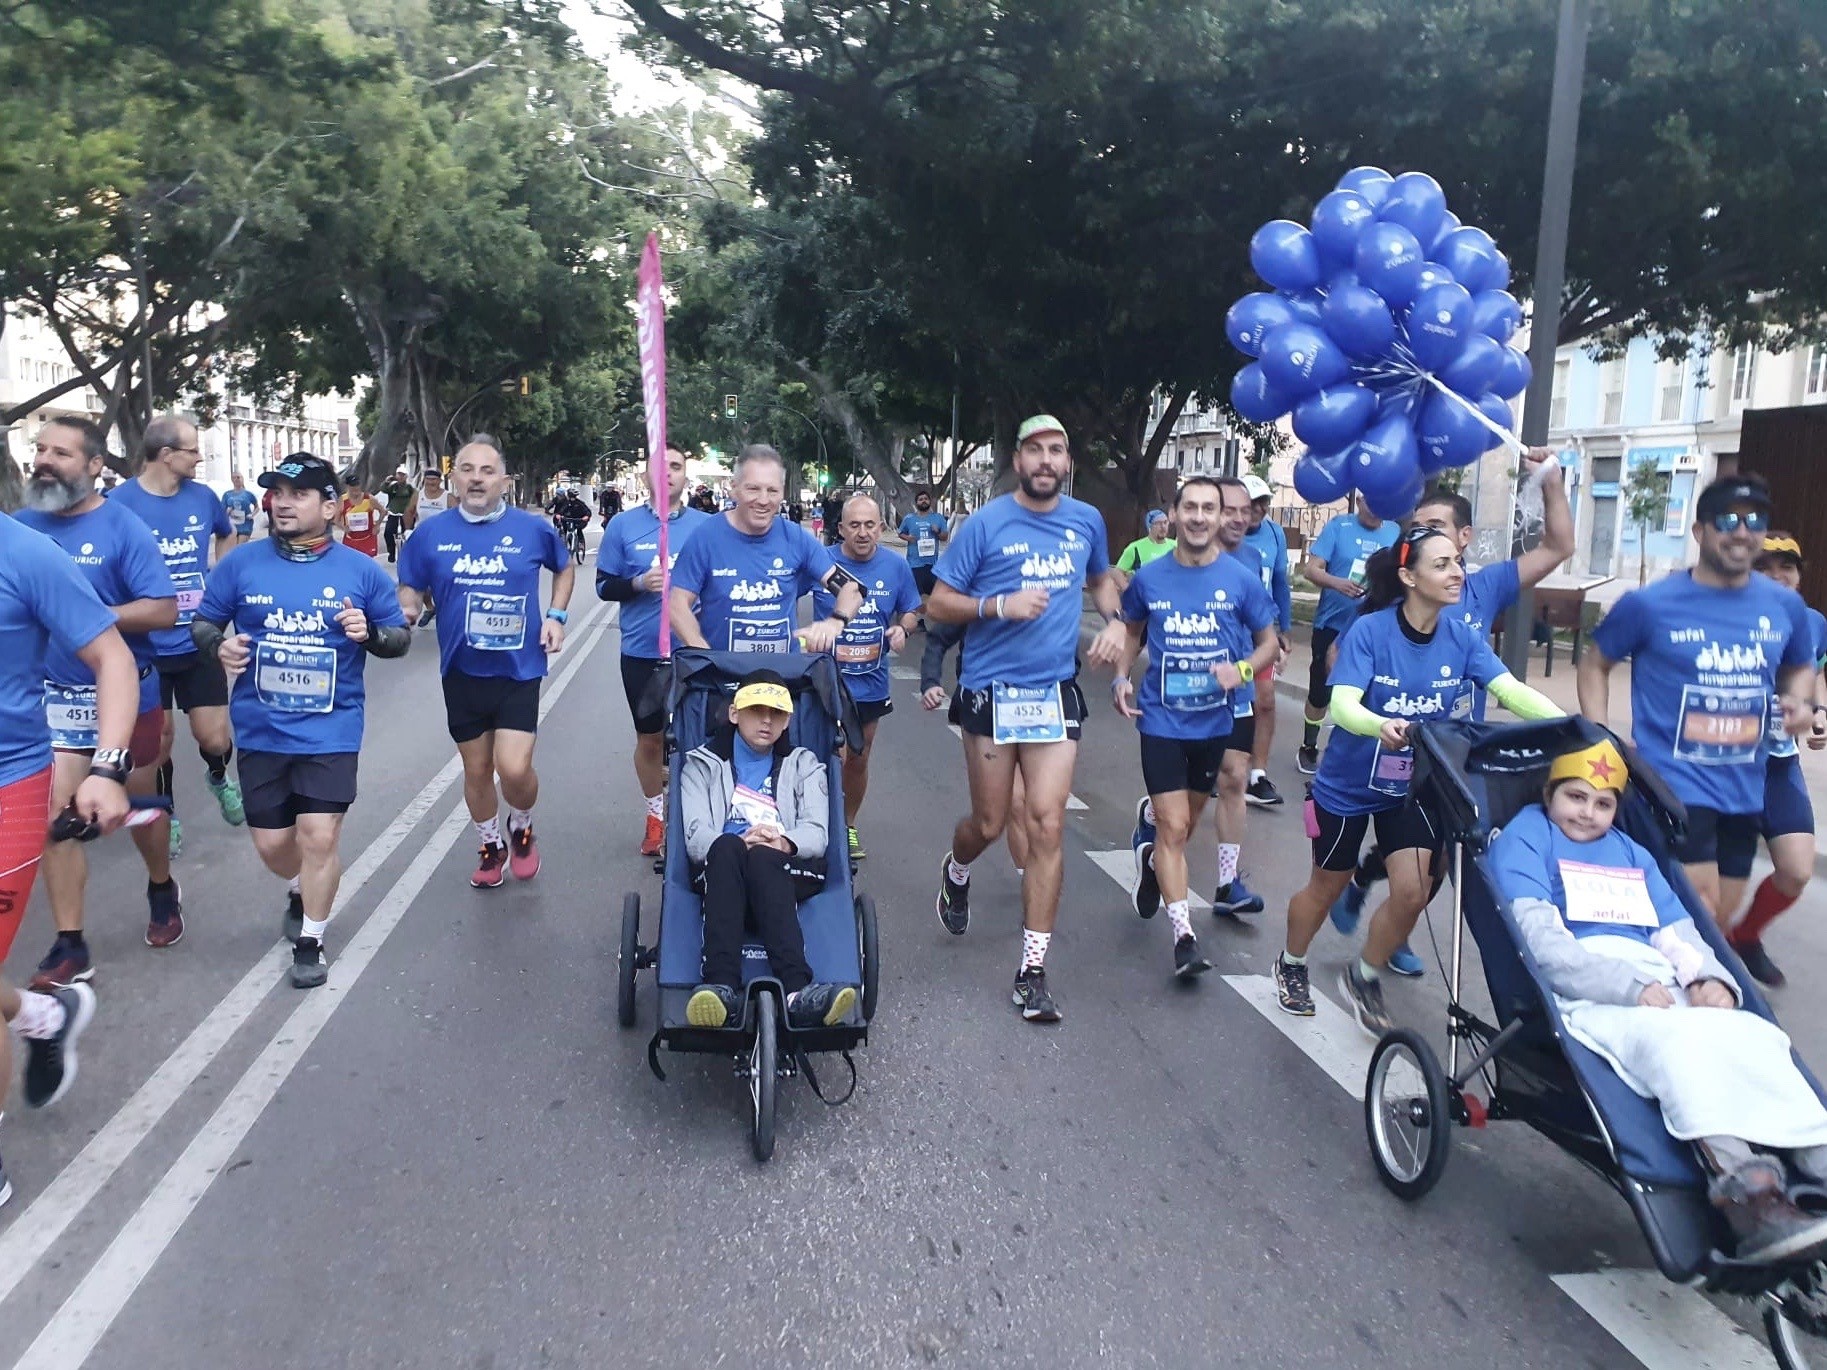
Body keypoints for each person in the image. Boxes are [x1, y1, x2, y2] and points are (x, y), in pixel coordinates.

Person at [1490, 736, 1827, 1266]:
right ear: (1549, 793)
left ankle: (1817, 1154)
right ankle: (1749, 1195)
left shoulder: (1631, 852)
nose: (1588, 813)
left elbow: (1677, 932)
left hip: (1659, 976)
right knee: (1678, 1046)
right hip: (1592, 989)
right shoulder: (1526, 839)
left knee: (1756, 1036)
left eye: (1603, 804)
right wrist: (1624, 986)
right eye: (1576, 797)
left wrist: (1708, 979)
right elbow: (1544, 945)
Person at [1276, 526, 1560, 1032]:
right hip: (1347, 785)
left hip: (1410, 786)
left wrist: (1570, 729)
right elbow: (1342, 706)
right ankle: (1291, 962)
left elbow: (1510, 691)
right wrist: (1378, 724)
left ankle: (1363, 975)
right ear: (1408, 576)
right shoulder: (1370, 631)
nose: (1457, 573)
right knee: (1326, 885)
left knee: (1413, 890)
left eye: (1458, 562)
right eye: (1442, 564)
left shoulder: (1460, 636)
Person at [1328, 451, 1575, 973]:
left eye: (1435, 529)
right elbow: (1349, 655)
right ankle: (1381, 929)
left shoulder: (1482, 587)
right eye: (1415, 531)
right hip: (1384, 751)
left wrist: (1551, 477)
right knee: (1415, 867)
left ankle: (1380, 907)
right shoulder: (1393, 599)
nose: (1420, 538)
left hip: (1450, 754)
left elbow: (1558, 546)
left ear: (1463, 538)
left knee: (1434, 863)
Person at [928, 414, 1126, 1022]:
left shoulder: (1086, 520)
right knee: (990, 824)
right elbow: (938, 601)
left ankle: (1032, 972)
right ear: (1018, 460)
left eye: (1057, 451)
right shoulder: (985, 523)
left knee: (1046, 826)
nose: (1046, 460)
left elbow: (1101, 579)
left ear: (1067, 462)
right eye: (1035, 450)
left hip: (1052, 692)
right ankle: (957, 868)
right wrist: (998, 604)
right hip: (990, 690)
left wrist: (1117, 620)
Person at [191, 455, 410, 988]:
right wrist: (221, 646)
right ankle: (299, 886)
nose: (283, 502)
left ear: (330, 507)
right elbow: (202, 624)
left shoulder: (361, 572)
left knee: (318, 836)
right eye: (278, 492)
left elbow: (398, 638)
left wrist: (370, 634)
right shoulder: (241, 565)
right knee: (273, 846)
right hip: (261, 728)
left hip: (331, 729)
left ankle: (311, 940)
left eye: (299, 493)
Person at [1579, 475, 1816, 924]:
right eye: (1728, 520)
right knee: (1698, 916)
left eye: (1754, 522)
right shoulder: (1649, 604)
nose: (1742, 532)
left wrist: (1799, 701)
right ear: (1699, 531)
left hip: (1746, 787)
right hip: (1673, 785)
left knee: (1719, 921)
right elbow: (1595, 664)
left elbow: (1800, 664)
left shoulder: (1784, 606)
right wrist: (1602, 736)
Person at [0, 507, 139, 1208]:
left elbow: (112, 656)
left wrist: (109, 769)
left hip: (8, 785)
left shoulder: (26, 554)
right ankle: (39, 1016)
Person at [18, 418, 181, 984]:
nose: (44, 460)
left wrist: (85, 618)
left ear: (93, 466)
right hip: (52, 703)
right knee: (55, 817)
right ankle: (70, 942)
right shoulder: (19, 529)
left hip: (125, 692)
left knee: (134, 807)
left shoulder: (123, 528)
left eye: (61, 453)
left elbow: (163, 609)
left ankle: (161, 887)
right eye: (40, 449)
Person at [1112, 476, 1277, 977]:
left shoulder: (1241, 579)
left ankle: (1151, 860)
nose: (1201, 517)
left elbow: (1267, 643)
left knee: (1182, 830)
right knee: (1176, 826)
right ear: (1176, 514)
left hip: (1214, 725)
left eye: (1211, 508)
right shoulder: (1150, 578)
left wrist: (1243, 671)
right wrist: (1121, 675)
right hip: (1160, 720)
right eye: (1192, 508)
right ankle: (1184, 937)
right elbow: (1133, 630)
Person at [397, 436, 573, 888]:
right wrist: (408, 607)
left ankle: (523, 823)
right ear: (454, 478)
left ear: (504, 481)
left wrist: (555, 616)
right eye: (468, 469)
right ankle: (490, 844)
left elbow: (564, 566)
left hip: (518, 668)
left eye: (487, 471)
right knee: (476, 770)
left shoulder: (532, 529)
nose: (476, 478)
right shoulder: (430, 535)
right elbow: (410, 584)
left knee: (513, 769)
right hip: (461, 671)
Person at [677, 670, 857, 1030]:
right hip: (722, 868)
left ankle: (797, 992)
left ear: (788, 719)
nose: (766, 720)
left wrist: (783, 841)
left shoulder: (805, 764)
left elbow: (818, 832)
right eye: (756, 709)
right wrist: (741, 842)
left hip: (787, 866)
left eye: (776, 712)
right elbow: (696, 837)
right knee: (728, 846)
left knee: (763, 856)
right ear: (733, 713)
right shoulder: (700, 764)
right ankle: (720, 987)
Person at [109, 414, 242, 853]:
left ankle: (219, 776)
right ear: (166, 454)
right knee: (160, 742)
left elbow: (228, 535)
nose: (200, 456)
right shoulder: (118, 503)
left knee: (215, 736)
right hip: (146, 645)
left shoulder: (203, 498)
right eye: (192, 449)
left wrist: (219, 574)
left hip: (197, 637)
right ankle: (168, 813)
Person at [1715, 533, 1827, 986]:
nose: (1780, 576)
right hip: (1722, 767)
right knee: (1715, 885)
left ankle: (1746, 935)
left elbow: (1813, 673)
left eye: (1789, 567)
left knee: (1797, 870)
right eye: (1768, 567)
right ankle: (1703, 964)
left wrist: (1818, 712)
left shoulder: (1814, 621)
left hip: (1779, 766)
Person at [597, 447, 712, 854]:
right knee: (650, 740)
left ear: (685, 476)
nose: (667, 475)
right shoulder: (623, 526)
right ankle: (655, 817)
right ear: (645, 476)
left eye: (676, 468)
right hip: (643, 653)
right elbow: (602, 585)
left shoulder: (707, 527)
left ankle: (703, 817)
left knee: (701, 739)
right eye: (659, 468)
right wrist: (638, 583)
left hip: (697, 652)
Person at [668, 444, 862, 657]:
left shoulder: (795, 538)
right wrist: (706, 658)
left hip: (781, 679)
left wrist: (835, 622)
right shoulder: (705, 537)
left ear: (782, 492)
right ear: (734, 488)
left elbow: (852, 590)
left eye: (772, 491)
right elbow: (677, 605)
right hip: (722, 679)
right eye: (753, 489)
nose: (763, 500)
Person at [813, 493, 920, 862]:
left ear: (881, 528)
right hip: (824, 680)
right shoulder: (822, 563)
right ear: (840, 528)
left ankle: (847, 824)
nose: (862, 532)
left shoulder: (895, 566)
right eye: (854, 525)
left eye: (869, 525)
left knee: (858, 756)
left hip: (870, 681)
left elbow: (911, 610)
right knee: (826, 755)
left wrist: (903, 629)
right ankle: (817, 824)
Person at [1297, 503, 1399, 774]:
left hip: (1376, 628)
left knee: (1367, 692)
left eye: (1381, 499)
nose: (1375, 507)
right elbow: (1311, 570)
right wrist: (1337, 583)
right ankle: (1309, 745)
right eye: (1371, 500)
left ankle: (1357, 751)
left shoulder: (1394, 531)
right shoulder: (1338, 527)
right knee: (1321, 691)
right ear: (1361, 500)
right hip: (1332, 622)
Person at [1240, 475, 1293, 808]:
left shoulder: (1274, 534)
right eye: (1251, 502)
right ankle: (1216, 766)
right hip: (1224, 634)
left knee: (1266, 701)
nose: (1257, 509)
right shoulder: (1220, 534)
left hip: (1261, 634)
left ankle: (1256, 775)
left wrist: (1284, 630)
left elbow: (1281, 584)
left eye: (1262, 502)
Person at [896, 489, 950, 627]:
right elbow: (900, 533)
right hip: (914, 563)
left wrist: (937, 531)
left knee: (936, 594)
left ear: (930, 501)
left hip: (932, 563)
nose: (923, 501)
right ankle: (917, 621)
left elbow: (945, 537)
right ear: (916, 503)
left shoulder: (938, 518)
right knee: (916, 594)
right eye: (920, 499)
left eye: (926, 499)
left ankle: (937, 620)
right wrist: (908, 538)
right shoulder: (909, 518)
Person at [1112, 509, 1174, 588]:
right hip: (1145, 595)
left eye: (1165, 522)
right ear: (1149, 526)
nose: (1163, 527)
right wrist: (1128, 590)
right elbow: (1118, 572)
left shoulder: (1176, 546)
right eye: (1158, 523)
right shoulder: (1135, 548)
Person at [379, 468, 415, 562]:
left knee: (407, 534)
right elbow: (383, 489)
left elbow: (415, 497)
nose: (400, 477)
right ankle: (391, 553)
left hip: (406, 513)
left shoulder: (409, 487)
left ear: (406, 476)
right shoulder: (393, 486)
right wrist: (386, 482)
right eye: (399, 474)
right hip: (393, 512)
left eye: (402, 475)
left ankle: (405, 554)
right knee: (388, 532)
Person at [338, 478, 381, 558]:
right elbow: (335, 519)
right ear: (347, 486)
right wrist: (343, 527)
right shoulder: (342, 500)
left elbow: (383, 511)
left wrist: (377, 525)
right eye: (352, 485)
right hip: (351, 539)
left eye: (357, 485)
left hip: (368, 538)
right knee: (351, 563)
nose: (356, 487)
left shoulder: (369, 498)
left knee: (368, 563)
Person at [547, 486, 591, 559]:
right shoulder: (567, 503)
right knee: (567, 529)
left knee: (578, 529)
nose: (571, 498)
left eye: (573, 497)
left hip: (579, 520)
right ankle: (570, 544)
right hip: (569, 519)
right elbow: (562, 510)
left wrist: (586, 516)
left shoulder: (580, 503)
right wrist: (559, 514)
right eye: (570, 497)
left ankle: (581, 543)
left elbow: (587, 511)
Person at [223, 471, 259, 546]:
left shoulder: (248, 494)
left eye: (238, 477)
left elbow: (257, 507)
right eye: (234, 478)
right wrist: (227, 512)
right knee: (233, 549)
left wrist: (252, 515)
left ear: (242, 479)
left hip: (245, 525)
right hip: (232, 526)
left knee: (239, 547)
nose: (236, 479)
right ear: (232, 480)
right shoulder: (227, 494)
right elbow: (222, 511)